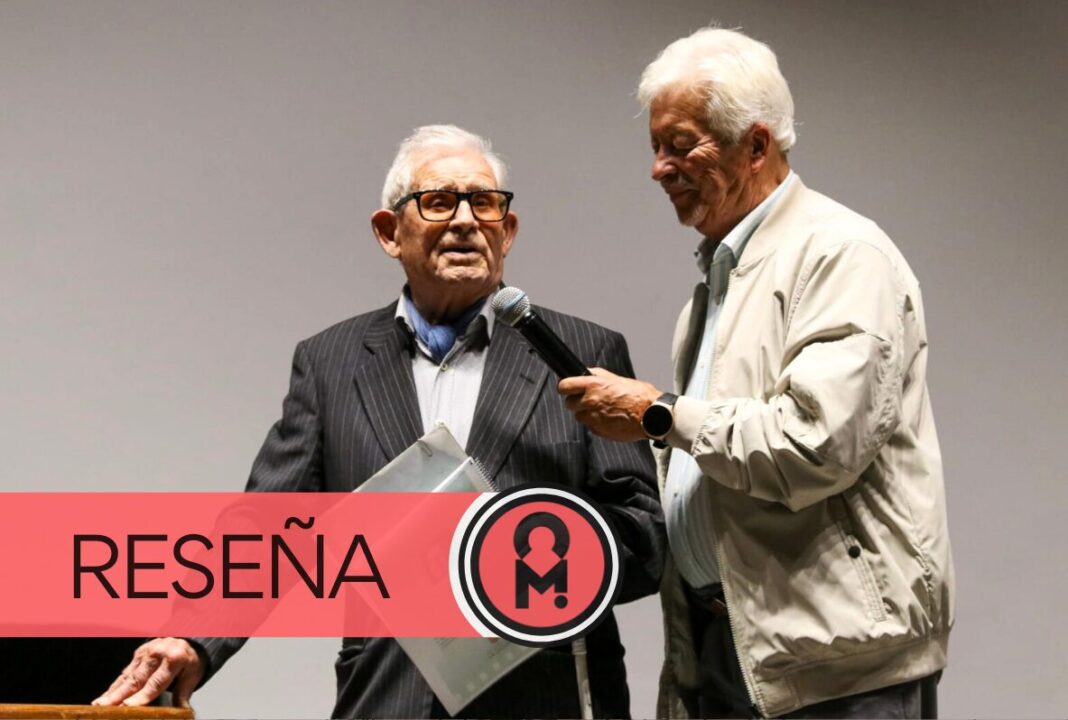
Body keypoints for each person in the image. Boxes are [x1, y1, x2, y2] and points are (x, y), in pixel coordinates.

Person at [94, 125, 665, 718]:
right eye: (440, 201)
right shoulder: (331, 364)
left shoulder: (582, 351)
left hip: (547, 699)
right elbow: (266, 531)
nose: (466, 220)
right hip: (390, 698)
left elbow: (646, 538)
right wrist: (194, 637)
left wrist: (521, 571)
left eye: (485, 203)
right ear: (389, 233)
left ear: (509, 231)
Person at [558, 28, 954, 719]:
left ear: (758, 146)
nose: (659, 168)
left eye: (680, 145)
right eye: (656, 147)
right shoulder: (719, 279)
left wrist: (659, 414)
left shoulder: (841, 256)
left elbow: (813, 448)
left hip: (838, 673)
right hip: (735, 649)